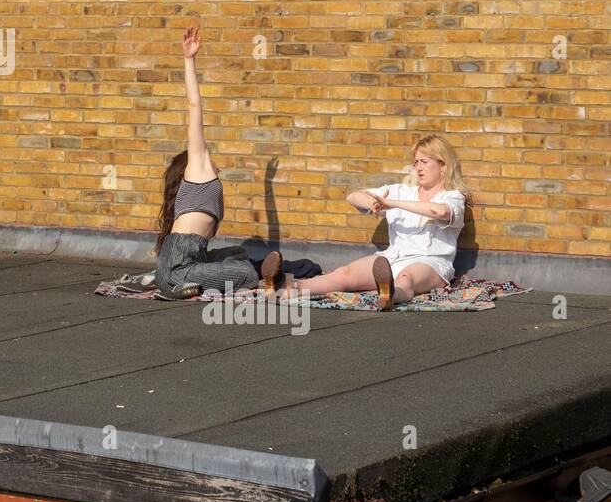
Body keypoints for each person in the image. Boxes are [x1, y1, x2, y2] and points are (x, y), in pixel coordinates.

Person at [149, 25, 277, 300]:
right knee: (247, 274)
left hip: (185, 263)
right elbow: (194, 106)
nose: (212, 158)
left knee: (238, 253)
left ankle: (187, 282)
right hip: (178, 269)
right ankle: (179, 284)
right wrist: (189, 59)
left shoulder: (199, 183)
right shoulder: (198, 170)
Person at [279, 135, 469, 310]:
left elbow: (439, 211)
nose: (418, 168)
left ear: (442, 166)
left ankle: (390, 295)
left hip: (431, 262)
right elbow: (353, 196)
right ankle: (291, 287)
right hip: (392, 258)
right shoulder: (401, 190)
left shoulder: (453, 196)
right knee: (345, 273)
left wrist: (391, 204)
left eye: (425, 162)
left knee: (406, 278)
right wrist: (372, 202)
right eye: (416, 162)